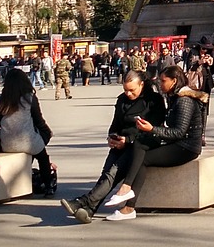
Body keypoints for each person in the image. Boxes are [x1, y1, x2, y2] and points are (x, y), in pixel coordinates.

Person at [95, 66, 206, 221]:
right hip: (175, 142)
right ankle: (127, 200)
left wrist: (152, 129)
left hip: (186, 147)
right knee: (140, 147)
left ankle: (127, 197)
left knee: (143, 157)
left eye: (163, 81)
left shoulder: (184, 100)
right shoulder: (174, 96)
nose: (160, 84)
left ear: (174, 81)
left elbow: (179, 132)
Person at [60, 70, 166, 223]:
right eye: (125, 90)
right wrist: (112, 136)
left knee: (113, 173)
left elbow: (152, 129)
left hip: (140, 145)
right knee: (106, 174)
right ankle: (89, 209)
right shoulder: (122, 100)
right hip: (121, 143)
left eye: (132, 90)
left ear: (141, 85)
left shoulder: (154, 100)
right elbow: (115, 124)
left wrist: (128, 140)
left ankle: (84, 202)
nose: (128, 93)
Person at [0, 68, 56, 196]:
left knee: (35, 145)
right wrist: (48, 132)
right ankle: (48, 185)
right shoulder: (29, 98)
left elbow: (0, 120)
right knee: (43, 156)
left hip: (6, 143)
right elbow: (38, 120)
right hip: (26, 141)